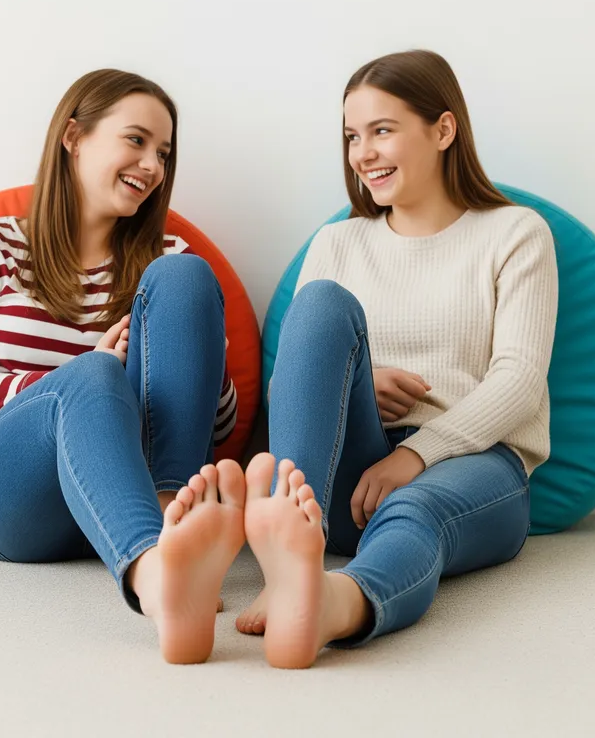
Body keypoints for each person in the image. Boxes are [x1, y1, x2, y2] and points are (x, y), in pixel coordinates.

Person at [235, 49, 559, 669]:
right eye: (352, 137)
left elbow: (519, 379)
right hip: (344, 478)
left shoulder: (516, 233)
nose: (362, 154)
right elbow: (294, 385)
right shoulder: (337, 241)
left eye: (381, 130)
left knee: (415, 509)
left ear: (443, 130)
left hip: (473, 464)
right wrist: (362, 383)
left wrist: (416, 455)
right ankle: (291, 545)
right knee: (321, 304)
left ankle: (332, 603)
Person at [0, 69, 242, 664]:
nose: (152, 166)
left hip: (132, 493)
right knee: (93, 375)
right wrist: (86, 373)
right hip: (10, 499)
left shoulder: (166, 261)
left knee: (185, 276)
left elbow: (221, 427)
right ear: (73, 137)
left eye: (164, 153)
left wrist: (199, 349)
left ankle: (169, 535)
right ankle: (156, 579)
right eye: (136, 140)